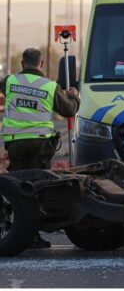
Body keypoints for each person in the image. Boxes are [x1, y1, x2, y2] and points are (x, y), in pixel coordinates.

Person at [0, 48, 80, 248]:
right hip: (40, 144)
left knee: (17, 190)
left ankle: (17, 232)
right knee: (37, 189)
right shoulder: (50, 86)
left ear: (22, 63)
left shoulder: (10, 82)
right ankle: (33, 236)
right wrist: (73, 96)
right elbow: (68, 110)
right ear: (41, 64)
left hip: (16, 143)